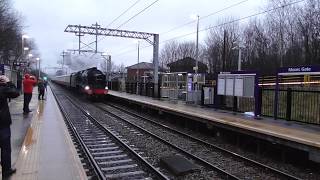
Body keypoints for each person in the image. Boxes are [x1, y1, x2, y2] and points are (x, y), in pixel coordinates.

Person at [0, 75, 19, 178]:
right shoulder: (3, 89)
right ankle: (6, 171)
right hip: (2, 124)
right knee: (5, 149)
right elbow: (16, 92)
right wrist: (8, 82)